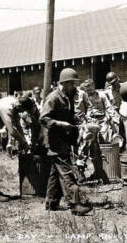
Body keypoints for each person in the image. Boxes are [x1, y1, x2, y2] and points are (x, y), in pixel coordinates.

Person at [40, 68, 93, 216]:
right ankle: (75, 205)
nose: (75, 87)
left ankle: (51, 202)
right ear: (65, 83)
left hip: (63, 141)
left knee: (55, 173)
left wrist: (76, 120)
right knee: (67, 172)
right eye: (73, 84)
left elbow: (68, 117)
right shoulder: (53, 98)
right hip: (55, 142)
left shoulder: (68, 97)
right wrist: (60, 124)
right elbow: (44, 118)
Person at [81, 79, 115, 143]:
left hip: (102, 120)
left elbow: (108, 106)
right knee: (88, 138)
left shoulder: (101, 95)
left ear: (94, 86)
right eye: (87, 90)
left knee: (104, 138)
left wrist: (110, 115)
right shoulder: (84, 97)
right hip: (90, 120)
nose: (89, 92)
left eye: (90, 90)